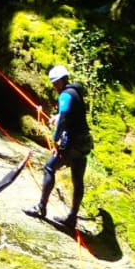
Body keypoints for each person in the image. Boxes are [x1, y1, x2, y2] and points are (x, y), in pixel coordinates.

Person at [26, 65, 93, 229]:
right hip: (84, 143)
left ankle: (41, 207)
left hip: (72, 143)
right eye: (53, 83)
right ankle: (72, 218)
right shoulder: (76, 92)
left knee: (49, 167)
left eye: (56, 83)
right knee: (78, 180)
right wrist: (58, 116)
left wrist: (55, 140)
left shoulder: (65, 95)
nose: (55, 86)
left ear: (63, 80)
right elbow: (71, 114)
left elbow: (64, 119)